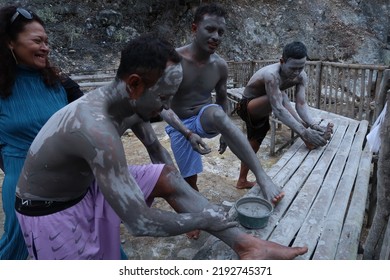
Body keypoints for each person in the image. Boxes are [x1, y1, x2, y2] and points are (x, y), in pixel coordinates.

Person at [15, 34, 308, 260]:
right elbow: (139, 223)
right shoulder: (95, 129)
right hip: (50, 211)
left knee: (166, 176)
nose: (167, 107)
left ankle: (247, 245)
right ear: (134, 84)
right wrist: (201, 217)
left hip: (85, 187)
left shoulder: (126, 104)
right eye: (164, 97)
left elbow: (159, 156)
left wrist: (185, 198)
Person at [161, 3, 283, 207]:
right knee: (190, 179)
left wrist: (225, 131)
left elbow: (221, 100)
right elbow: (162, 106)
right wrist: (186, 133)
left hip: (205, 118)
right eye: (210, 29)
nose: (216, 36)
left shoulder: (219, 66)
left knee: (217, 114)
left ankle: (262, 177)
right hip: (179, 124)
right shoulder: (173, 61)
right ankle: (197, 208)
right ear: (194, 29)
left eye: (220, 32)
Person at [0, 5, 83, 259]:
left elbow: (88, 124)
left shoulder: (60, 83)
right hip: (22, 191)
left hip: (69, 184)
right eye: (37, 41)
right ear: (10, 43)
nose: (46, 47)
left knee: (86, 250)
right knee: (21, 254)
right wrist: (19, 167)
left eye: (47, 41)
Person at [235, 41, 333, 189]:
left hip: (269, 104)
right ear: (282, 61)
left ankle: (241, 181)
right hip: (248, 106)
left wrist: (311, 123)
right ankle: (307, 137)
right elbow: (278, 110)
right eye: (293, 68)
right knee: (281, 96)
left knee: (254, 142)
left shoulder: (301, 76)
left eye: (301, 67)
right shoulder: (271, 75)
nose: (297, 72)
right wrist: (304, 131)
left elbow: (301, 104)